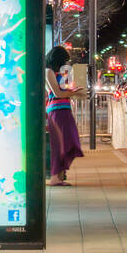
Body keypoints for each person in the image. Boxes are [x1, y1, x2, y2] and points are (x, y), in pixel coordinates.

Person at [45, 45, 86, 186]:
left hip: (65, 109)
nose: (67, 62)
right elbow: (58, 94)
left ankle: (60, 174)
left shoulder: (61, 73)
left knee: (71, 142)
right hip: (56, 110)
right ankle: (55, 177)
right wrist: (74, 92)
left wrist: (72, 89)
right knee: (59, 144)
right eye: (65, 59)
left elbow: (65, 91)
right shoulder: (48, 72)